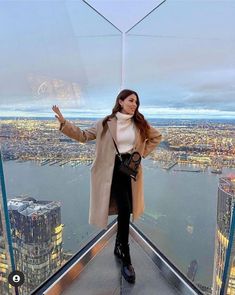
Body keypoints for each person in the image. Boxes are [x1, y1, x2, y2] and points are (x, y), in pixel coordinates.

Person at [52, 89, 162, 284]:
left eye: (136, 102)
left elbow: (156, 137)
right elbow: (84, 136)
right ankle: (125, 256)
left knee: (125, 211)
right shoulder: (106, 123)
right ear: (120, 101)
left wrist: (141, 154)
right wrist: (63, 122)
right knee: (125, 209)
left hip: (131, 170)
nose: (134, 104)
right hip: (113, 171)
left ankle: (119, 245)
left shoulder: (140, 123)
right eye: (130, 100)